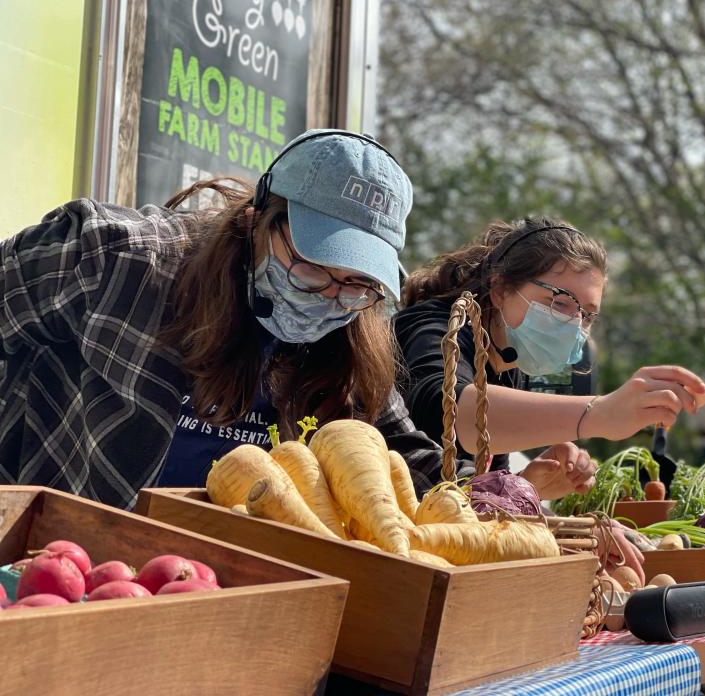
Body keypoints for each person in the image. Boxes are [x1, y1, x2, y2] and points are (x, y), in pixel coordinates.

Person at [0, 129, 456, 509]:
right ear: (258, 218)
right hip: (59, 559)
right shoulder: (115, 261)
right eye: (314, 266)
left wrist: (486, 497)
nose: (331, 296)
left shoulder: (353, 333)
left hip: (220, 579)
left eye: (357, 281)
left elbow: (397, 446)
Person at [394, 216, 705, 576]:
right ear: (499, 289)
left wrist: (526, 485)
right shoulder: (432, 326)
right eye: (560, 302)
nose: (574, 324)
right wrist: (597, 413)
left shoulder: (510, 360)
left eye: (587, 315)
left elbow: (469, 491)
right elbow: (444, 411)